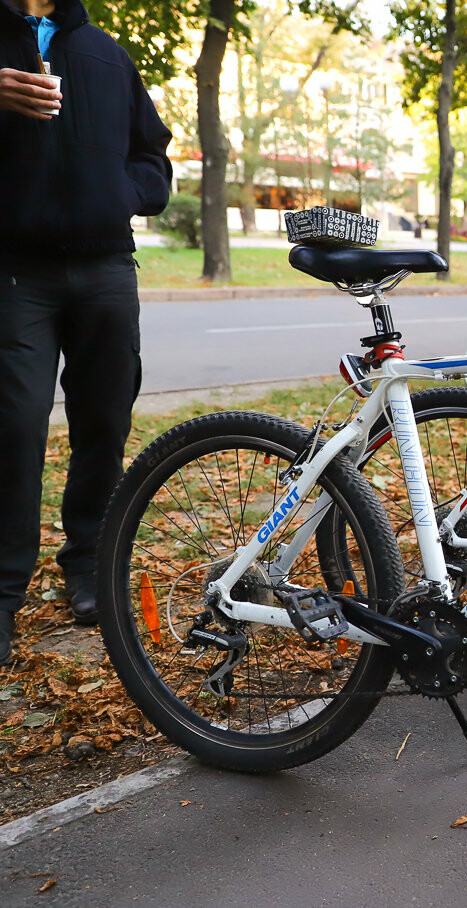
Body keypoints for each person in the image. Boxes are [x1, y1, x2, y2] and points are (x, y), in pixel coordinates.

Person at [0, 0, 173, 666]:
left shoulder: (105, 53)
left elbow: (152, 158)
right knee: (13, 425)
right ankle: (4, 594)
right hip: (17, 272)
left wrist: (119, 193)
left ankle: (86, 564)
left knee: (104, 420)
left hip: (105, 266)